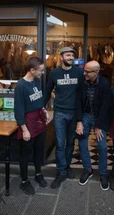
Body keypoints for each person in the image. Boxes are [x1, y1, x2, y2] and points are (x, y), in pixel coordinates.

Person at [44, 46, 84, 189]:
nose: (71, 58)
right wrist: (42, 107)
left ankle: (66, 166)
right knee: (60, 144)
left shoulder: (79, 72)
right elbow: (48, 91)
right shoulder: (54, 73)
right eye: (68, 55)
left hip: (74, 114)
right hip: (60, 113)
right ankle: (61, 172)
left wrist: (81, 117)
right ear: (61, 57)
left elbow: (82, 94)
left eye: (72, 56)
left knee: (70, 143)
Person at [14, 56, 49, 195]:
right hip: (28, 122)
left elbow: (38, 98)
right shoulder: (21, 85)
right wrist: (24, 129)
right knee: (25, 154)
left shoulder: (36, 81)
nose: (42, 72)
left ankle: (38, 174)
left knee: (38, 150)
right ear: (32, 70)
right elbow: (19, 109)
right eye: (40, 70)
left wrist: (43, 109)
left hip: (39, 120)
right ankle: (24, 181)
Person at [75, 60, 112, 191]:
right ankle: (88, 169)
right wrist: (79, 121)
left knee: (102, 146)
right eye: (84, 70)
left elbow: (105, 106)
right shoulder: (82, 81)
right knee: (82, 142)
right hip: (85, 115)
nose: (84, 73)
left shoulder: (105, 84)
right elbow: (78, 102)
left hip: (99, 118)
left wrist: (99, 126)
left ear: (96, 72)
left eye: (87, 71)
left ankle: (103, 174)